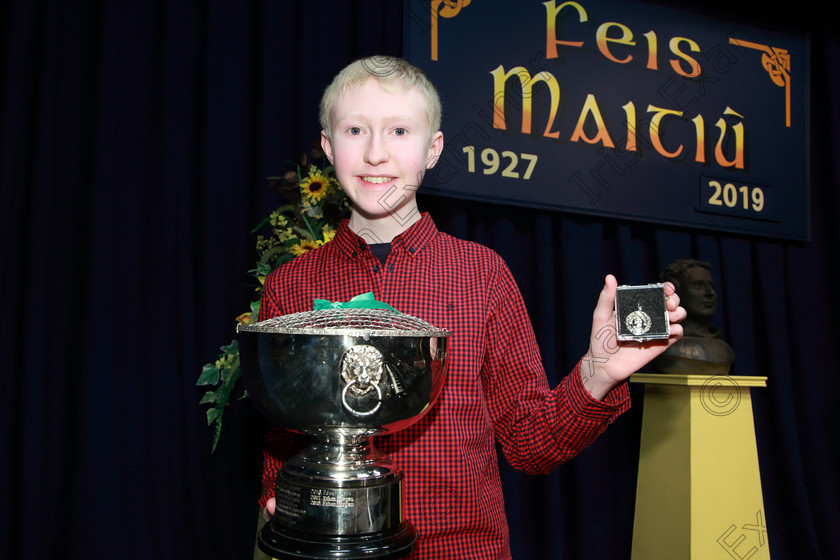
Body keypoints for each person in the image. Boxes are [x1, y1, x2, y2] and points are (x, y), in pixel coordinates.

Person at [254, 55, 686, 559]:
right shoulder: (290, 284)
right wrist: (280, 498)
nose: (375, 153)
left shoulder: (483, 275)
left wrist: (598, 374)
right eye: (355, 130)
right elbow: (281, 441)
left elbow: (531, 444)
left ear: (432, 149)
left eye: (398, 131)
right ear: (329, 146)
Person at [653, 259, 735, 374]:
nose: (710, 293)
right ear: (675, 291)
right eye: (698, 286)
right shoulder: (666, 348)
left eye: (711, 286)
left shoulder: (724, 348)